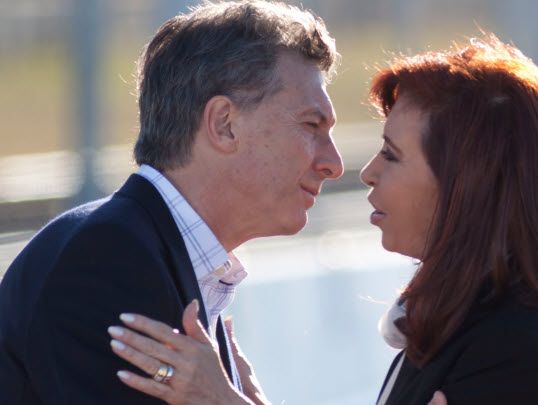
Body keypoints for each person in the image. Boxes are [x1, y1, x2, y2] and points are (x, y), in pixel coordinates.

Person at [108, 34, 538, 404]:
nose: (366, 172)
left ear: (467, 185)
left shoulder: (515, 346)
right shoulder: (471, 320)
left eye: (392, 155)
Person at [0, 1, 343, 403]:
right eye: (311, 125)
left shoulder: (144, 247)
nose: (333, 164)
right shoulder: (110, 258)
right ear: (224, 125)